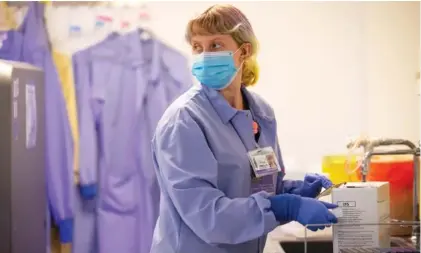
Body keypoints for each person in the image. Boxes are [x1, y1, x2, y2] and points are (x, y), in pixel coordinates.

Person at [150, 4, 338, 253]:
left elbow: (258, 186)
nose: (205, 55)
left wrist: (295, 191)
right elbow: (209, 217)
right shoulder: (184, 121)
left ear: (243, 51)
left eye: (215, 45)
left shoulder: (261, 112)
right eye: (198, 47)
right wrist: (286, 207)